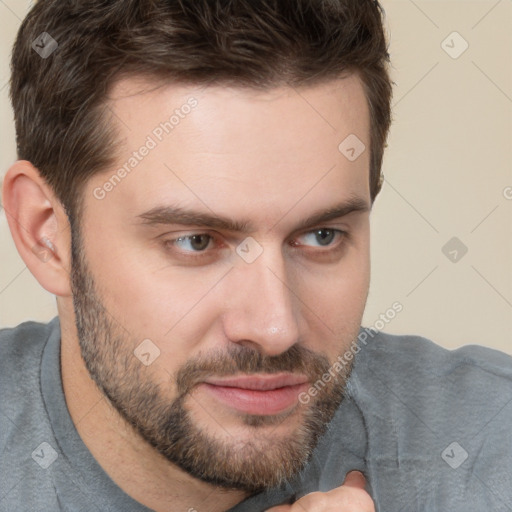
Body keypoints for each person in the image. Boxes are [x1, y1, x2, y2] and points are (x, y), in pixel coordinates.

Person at [1, 1, 511, 511]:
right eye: (196, 241)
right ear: (46, 234)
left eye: (322, 236)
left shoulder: (490, 442)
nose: (276, 329)